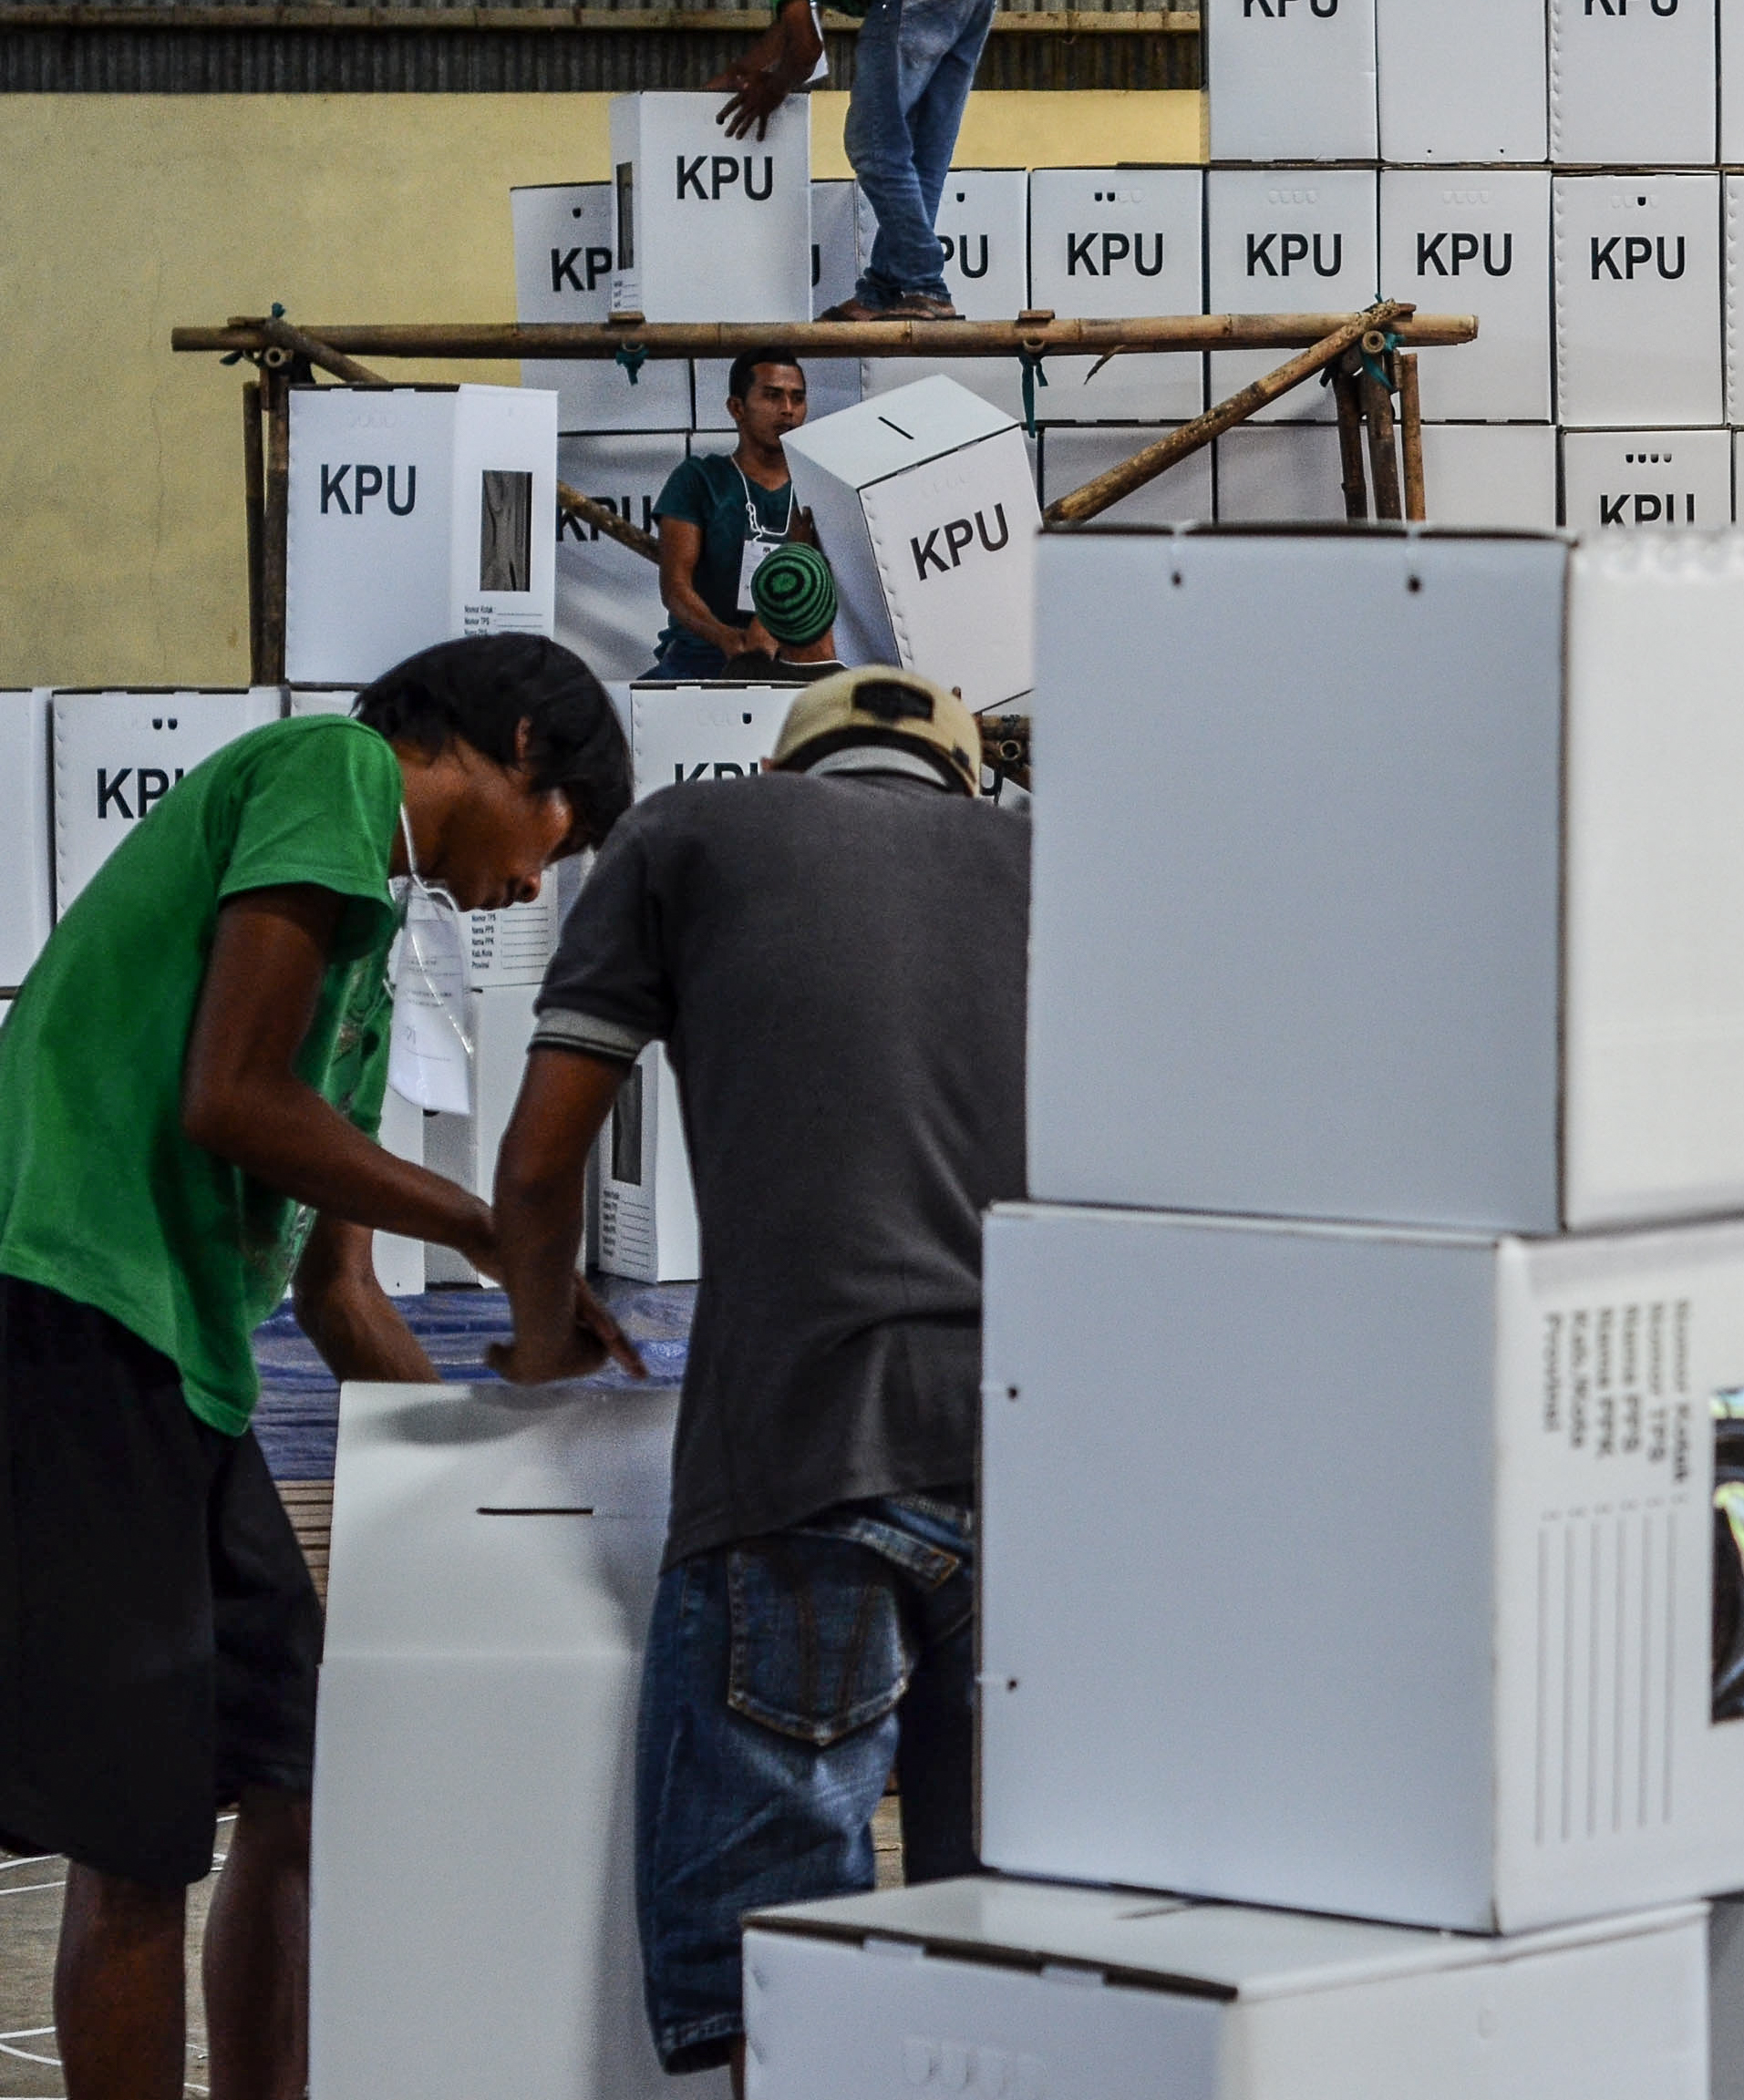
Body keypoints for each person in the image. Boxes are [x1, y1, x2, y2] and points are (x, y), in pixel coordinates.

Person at [0, 637, 632, 2100]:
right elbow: (230, 1098)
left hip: (194, 1373)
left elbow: (340, 1294)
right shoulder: (330, 771)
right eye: (561, 842)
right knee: (141, 1834)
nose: (537, 885)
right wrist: (490, 1224)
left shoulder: (363, 973)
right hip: (78, 1325)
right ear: (517, 748)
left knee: (302, 1770)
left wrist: (519, 1447)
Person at [483, 666, 1027, 2083]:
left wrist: (545, 1343)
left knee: (789, 1988)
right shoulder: (1060, 862)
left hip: (805, 1457)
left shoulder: (689, 836)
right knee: (1032, 1971)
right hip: (1058, 1476)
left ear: (790, 773)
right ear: (972, 785)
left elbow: (539, 1171)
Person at [691, 0, 995, 322]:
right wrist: (738, 74)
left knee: (872, 142)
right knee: (921, 154)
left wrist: (772, 90)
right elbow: (793, 30)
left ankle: (924, 284)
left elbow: (807, 49)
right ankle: (884, 292)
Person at [648, 351, 838, 681]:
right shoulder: (699, 479)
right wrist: (728, 639)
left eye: (798, 398)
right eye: (772, 396)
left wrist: (765, 638)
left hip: (796, 657)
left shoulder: (822, 482)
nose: (788, 410)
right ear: (737, 408)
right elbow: (675, 588)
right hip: (703, 655)